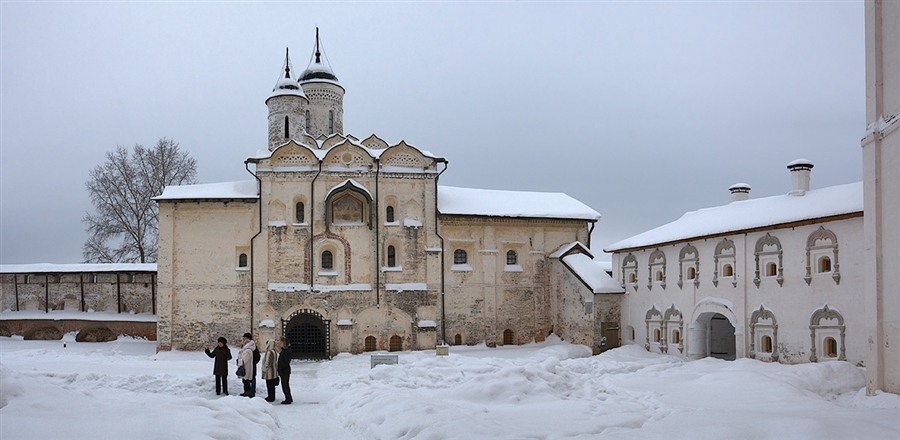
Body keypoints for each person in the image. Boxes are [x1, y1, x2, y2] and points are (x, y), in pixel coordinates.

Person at [237, 332, 256, 398]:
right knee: (245, 380)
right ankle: (247, 391)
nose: (243, 340)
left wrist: (239, 361)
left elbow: (244, 359)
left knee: (247, 380)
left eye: (244, 338)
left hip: (247, 367)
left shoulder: (248, 350)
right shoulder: (246, 348)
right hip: (247, 367)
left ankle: (248, 392)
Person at [276, 336, 293, 404]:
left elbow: (286, 362)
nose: (280, 343)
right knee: (285, 385)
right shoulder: (284, 350)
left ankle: (288, 398)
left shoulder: (287, 351)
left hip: (285, 371)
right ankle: (288, 397)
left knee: (285, 385)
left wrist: (281, 368)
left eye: (281, 342)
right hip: (283, 370)